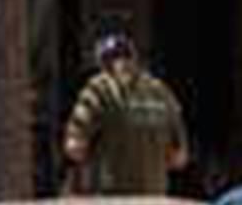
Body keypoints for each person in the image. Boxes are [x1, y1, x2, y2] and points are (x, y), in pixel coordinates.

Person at [60, 33, 188, 198]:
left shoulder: (99, 89)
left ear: (102, 62)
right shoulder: (162, 92)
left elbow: (74, 148)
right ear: (134, 59)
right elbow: (179, 159)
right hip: (155, 197)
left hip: (114, 196)